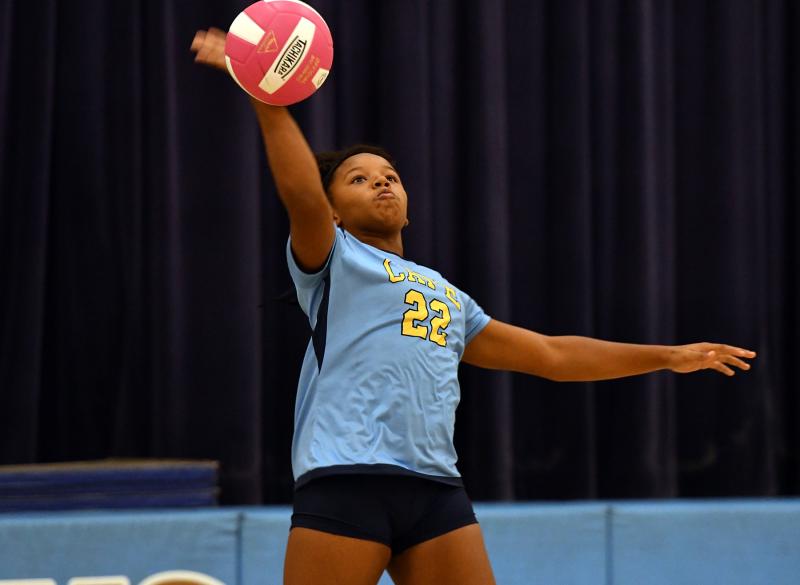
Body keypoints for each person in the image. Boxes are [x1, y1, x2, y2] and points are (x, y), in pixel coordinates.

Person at [191, 27, 756, 585]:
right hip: (347, 478)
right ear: (334, 209)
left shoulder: (446, 294)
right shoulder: (334, 258)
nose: (382, 184)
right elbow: (300, 195)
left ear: (408, 203)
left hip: (435, 489)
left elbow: (552, 355)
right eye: (359, 179)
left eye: (391, 177)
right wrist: (267, 97)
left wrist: (666, 356)